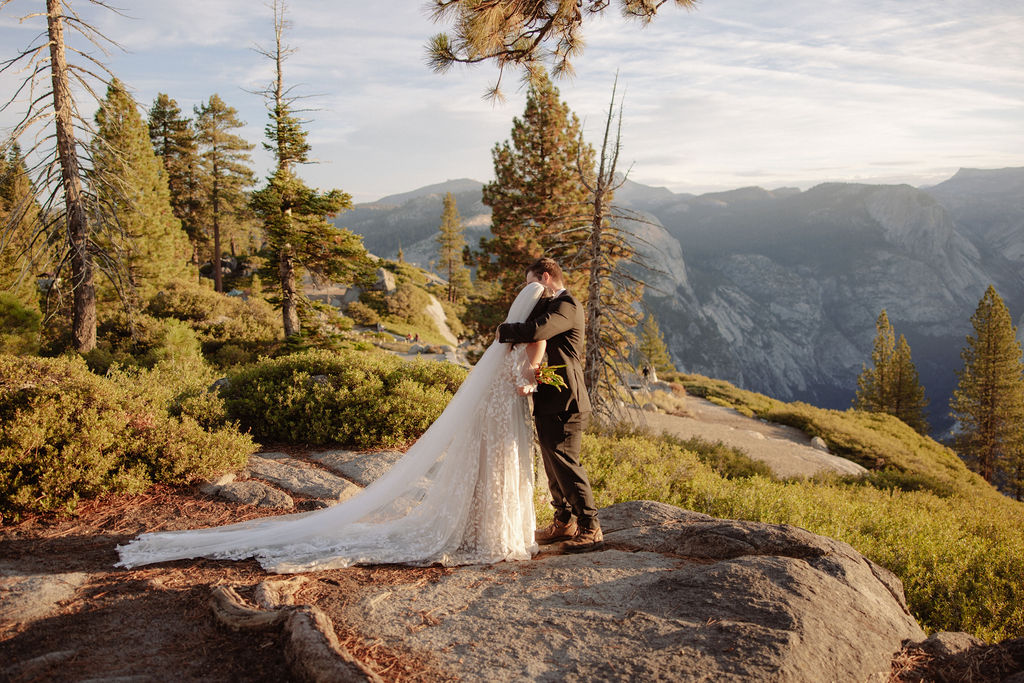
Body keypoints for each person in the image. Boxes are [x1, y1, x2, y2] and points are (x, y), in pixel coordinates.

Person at [115, 283, 548, 573]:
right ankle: (495, 533)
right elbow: (523, 381)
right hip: (505, 412)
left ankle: (480, 529)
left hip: (489, 413)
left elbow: (507, 374)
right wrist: (537, 379)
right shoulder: (534, 340)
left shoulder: (506, 340)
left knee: (486, 468)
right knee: (501, 468)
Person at [497, 258, 603, 553]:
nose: (529, 289)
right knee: (551, 464)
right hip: (549, 397)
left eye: (532, 282)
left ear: (546, 277)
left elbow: (537, 331)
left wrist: (503, 332)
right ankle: (563, 522)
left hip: (568, 399)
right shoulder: (551, 303)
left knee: (567, 463)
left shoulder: (567, 305)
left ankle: (590, 528)